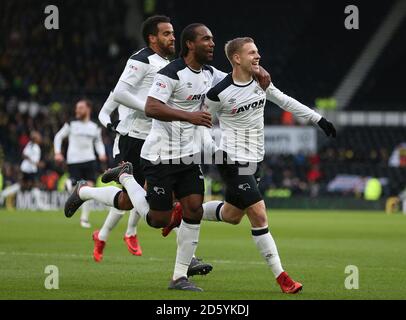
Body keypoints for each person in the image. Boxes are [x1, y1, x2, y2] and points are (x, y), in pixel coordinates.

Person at [65, 23, 269, 291]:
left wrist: (255, 70)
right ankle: (121, 178)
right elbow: (150, 106)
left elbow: (235, 76)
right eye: (206, 39)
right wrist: (190, 116)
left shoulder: (209, 72)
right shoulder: (166, 71)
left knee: (193, 209)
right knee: (156, 218)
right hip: (159, 154)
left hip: (188, 156)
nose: (212, 44)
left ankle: (179, 276)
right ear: (190, 45)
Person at [200, 37, 336, 293]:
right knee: (259, 213)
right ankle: (282, 277)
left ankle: (186, 211)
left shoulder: (261, 82)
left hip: (255, 161)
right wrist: (215, 151)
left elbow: (285, 101)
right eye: (252, 52)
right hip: (232, 160)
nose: (258, 56)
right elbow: (202, 123)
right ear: (237, 58)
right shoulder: (217, 93)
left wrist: (318, 119)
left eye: (258, 51)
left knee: (232, 216)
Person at [54, 99, 107, 228]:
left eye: (80, 108)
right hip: (74, 160)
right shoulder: (71, 123)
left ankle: (84, 219)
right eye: (77, 108)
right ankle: (70, 184)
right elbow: (58, 136)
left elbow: (98, 142)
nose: (77, 110)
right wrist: (57, 152)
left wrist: (102, 153)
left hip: (89, 160)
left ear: (88, 109)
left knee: (88, 189)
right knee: (80, 189)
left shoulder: (95, 126)